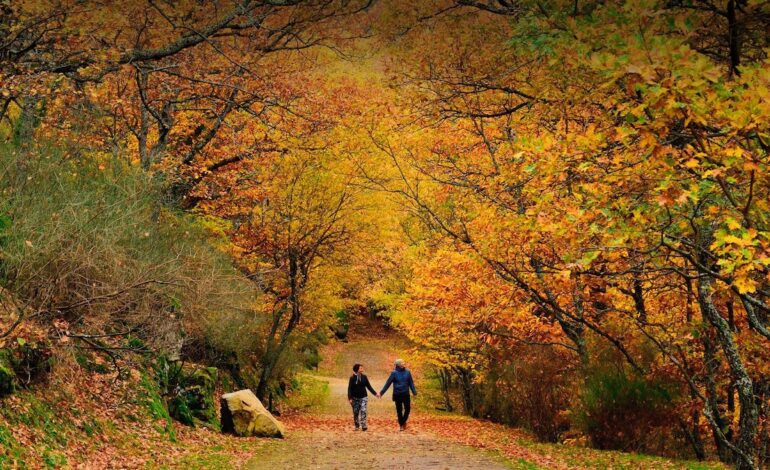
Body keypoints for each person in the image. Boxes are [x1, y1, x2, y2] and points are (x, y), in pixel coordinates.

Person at [379, 358, 417, 431]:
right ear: (398, 364)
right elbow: (388, 383)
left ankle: (403, 422)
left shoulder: (408, 372)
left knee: (408, 409)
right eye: (402, 362)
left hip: (406, 394)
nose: (404, 363)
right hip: (397, 394)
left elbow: (411, 382)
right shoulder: (394, 373)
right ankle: (401, 425)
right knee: (399, 410)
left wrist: (414, 391)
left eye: (403, 362)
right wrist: (381, 393)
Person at [348, 363, 377, 431]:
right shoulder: (352, 378)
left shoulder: (364, 377)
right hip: (355, 398)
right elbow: (349, 388)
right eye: (361, 368)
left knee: (363, 410)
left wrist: (375, 393)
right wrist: (350, 398)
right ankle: (357, 425)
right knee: (356, 412)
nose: (362, 369)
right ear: (357, 369)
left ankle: (364, 425)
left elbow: (369, 386)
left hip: (363, 397)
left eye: (362, 368)